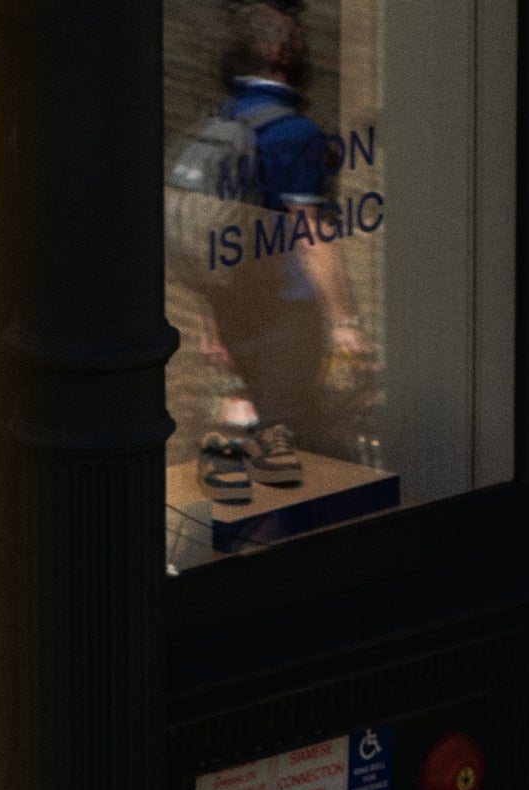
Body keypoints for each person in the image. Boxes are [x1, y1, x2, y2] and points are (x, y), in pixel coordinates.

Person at [202, 4, 368, 466]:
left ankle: (246, 520)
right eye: (298, 41)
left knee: (258, 430)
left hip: (231, 311)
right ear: (278, 53)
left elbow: (209, 232)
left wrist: (211, 325)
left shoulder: (221, 121)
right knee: (300, 443)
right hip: (285, 317)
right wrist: (346, 325)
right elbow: (312, 237)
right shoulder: (294, 132)